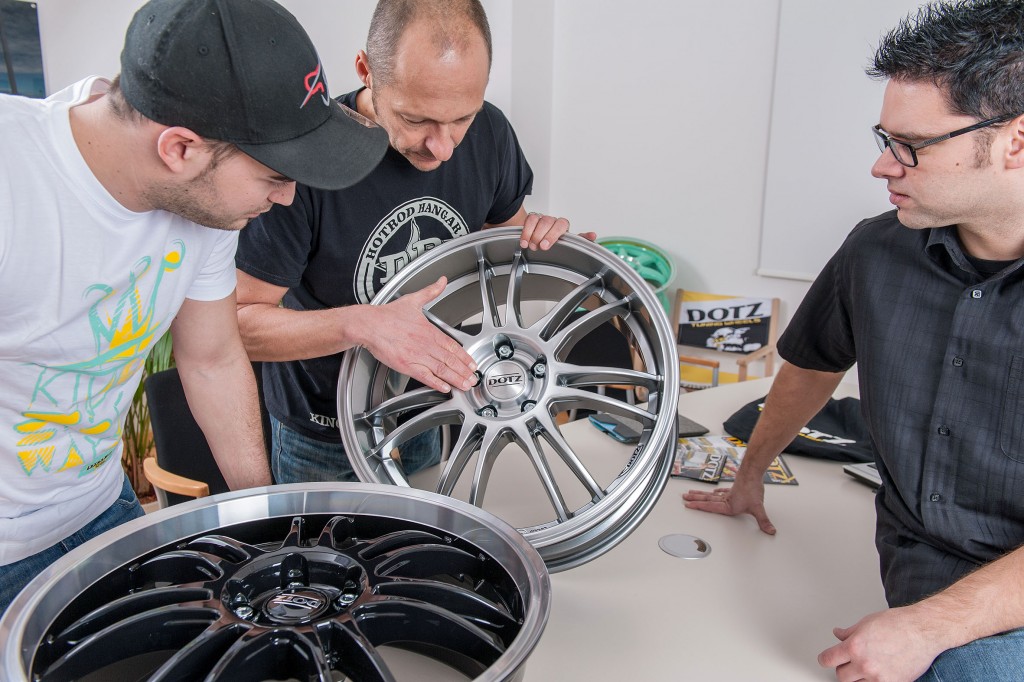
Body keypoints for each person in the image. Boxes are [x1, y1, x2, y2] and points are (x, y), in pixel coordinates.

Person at [0, 0, 388, 614]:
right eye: (274, 176)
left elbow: (212, 358)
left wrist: (270, 523)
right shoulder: (14, 183)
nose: (289, 198)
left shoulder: (207, 208)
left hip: (101, 509)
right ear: (179, 148)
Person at [684, 1, 1024, 680]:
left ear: (1016, 142)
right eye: (884, 138)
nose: (882, 167)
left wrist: (933, 626)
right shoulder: (876, 252)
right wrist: (749, 475)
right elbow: (811, 368)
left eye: (913, 147)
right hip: (923, 566)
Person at [236, 0, 594, 484]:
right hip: (325, 431)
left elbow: (506, 244)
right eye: (416, 119)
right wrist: (364, 325)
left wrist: (547, 245)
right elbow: (239, 326)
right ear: (366, 71)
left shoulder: (490, 132)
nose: (442, 147)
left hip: (431, 407)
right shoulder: (307, 163)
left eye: (461, 118)